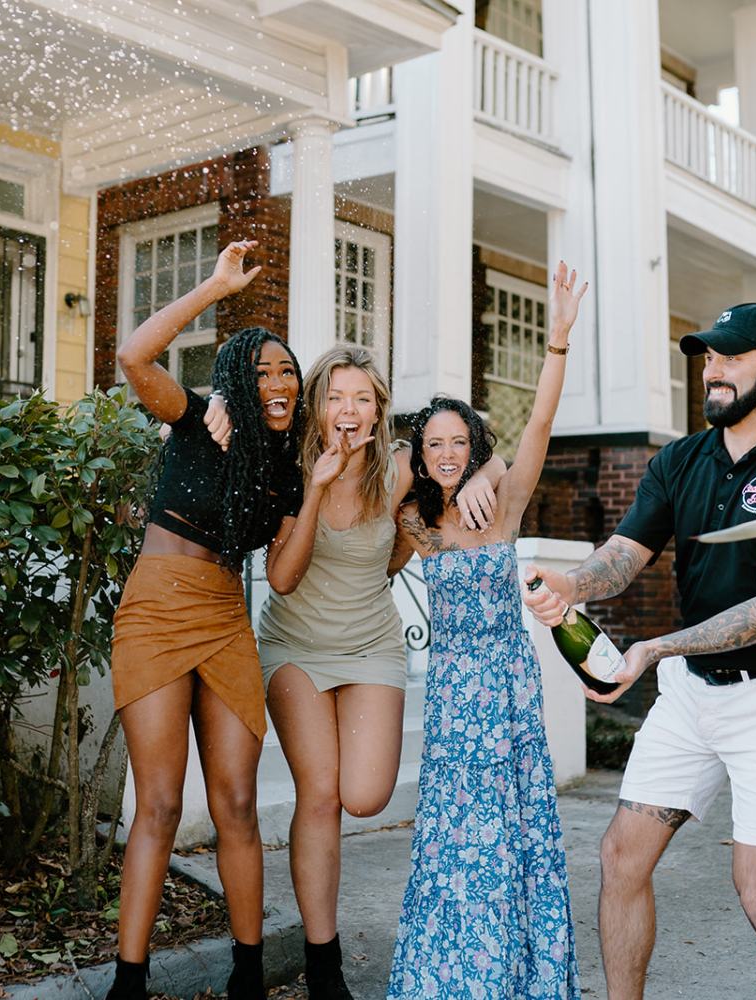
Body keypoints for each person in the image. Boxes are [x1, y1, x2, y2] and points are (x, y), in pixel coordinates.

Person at [522, 303, 756, 1000]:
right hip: (690, 695)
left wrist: (653, 649)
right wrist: (573, 582)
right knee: (620, 857)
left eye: (731, 357)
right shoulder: (679, 460)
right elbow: (625, 554)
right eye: (709, 357)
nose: (713, 369)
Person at [107, 240, 361, 1000]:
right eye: (261, 371)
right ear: (234, 383)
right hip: (155, 607)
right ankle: (129, 978)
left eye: (288, 371)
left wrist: (316, 491)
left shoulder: (286, 471)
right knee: (158, 802)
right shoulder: (195, 420)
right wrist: (214, 287)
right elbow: (131, 355)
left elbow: (281, 579)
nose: (278, 383)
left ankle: (247, 971)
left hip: (224, 616)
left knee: (239, 803)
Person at [227, 344, 501, 998]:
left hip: (373, 643)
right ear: (317, 407)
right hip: (295, 645)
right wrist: (318, 486)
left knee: (366, 796)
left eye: (361, 398)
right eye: (334, 397)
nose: (347, 411)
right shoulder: (292, 471)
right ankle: (325, 962)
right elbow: (285, 582)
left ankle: (324, 952)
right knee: (319, 795)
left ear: (378, 410)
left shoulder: (401, 468)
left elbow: (465, 449)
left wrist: (488, 472)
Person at [386, 262, 588, 1000]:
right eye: (431, 444)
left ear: (471, 446)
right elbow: (368, 519)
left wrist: (557, 341)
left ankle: (512, 978)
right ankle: (448, 979)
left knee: (509, 835)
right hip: (450, 700)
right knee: (451, 840)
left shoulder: (500, 511)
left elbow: (535, 426)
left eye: (456, 443)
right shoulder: (414, 524)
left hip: (505, 694)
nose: (444, 453)